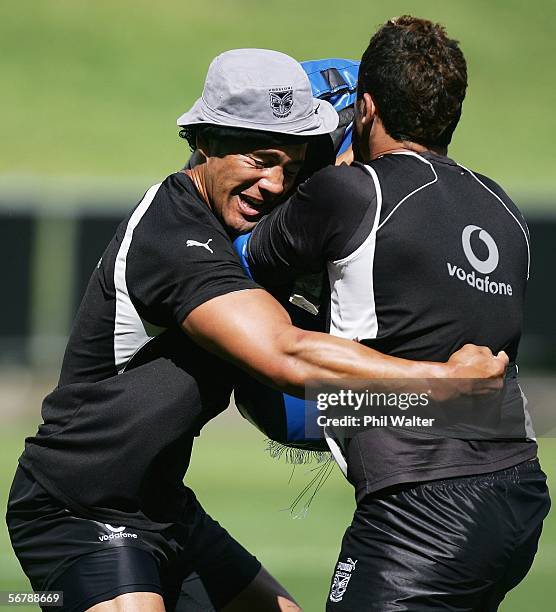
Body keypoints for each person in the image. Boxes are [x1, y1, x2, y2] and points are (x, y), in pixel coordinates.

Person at [6, 48, 506, 612]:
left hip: (162, 506)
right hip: (78, 504)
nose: (273, 183)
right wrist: (443, 381)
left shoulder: (252, 239)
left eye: (291, 168)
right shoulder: (171, 234)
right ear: (205, 142)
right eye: (259, 159)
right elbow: (283, 356)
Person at [241, 19, 551, 611]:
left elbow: (237, 261)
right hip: (519, 495)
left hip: (423, 511)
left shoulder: (352, 192)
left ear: (366, 107)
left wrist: (312, 151)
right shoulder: (506, 212)